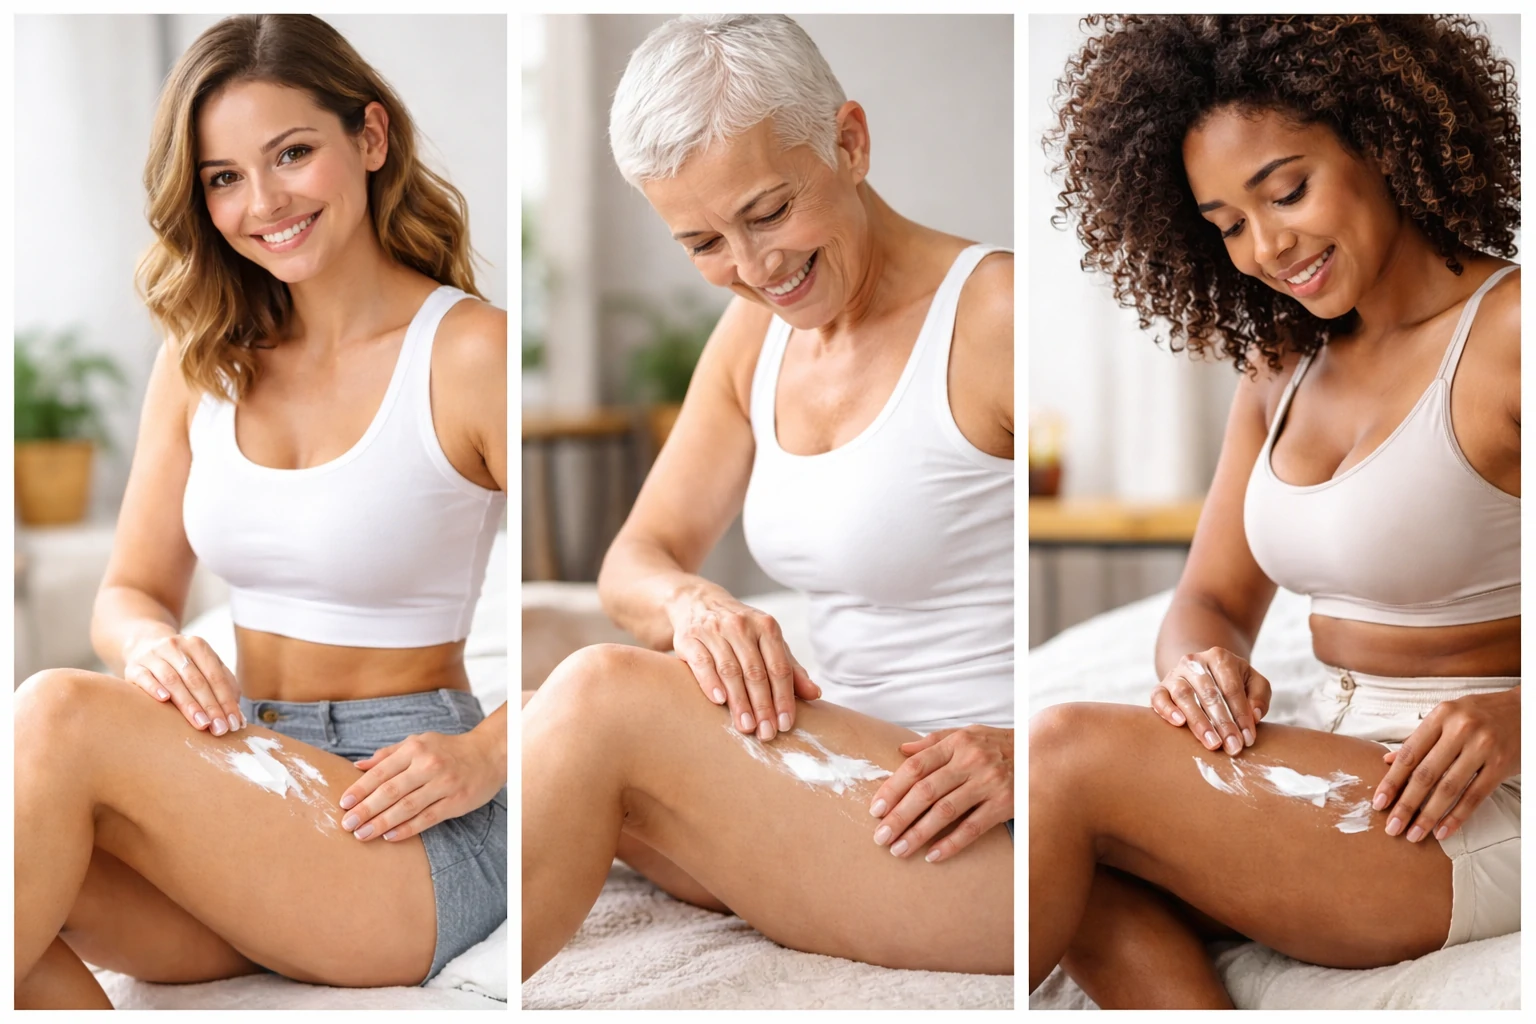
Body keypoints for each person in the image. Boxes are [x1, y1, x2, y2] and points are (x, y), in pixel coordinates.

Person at [14, 15, 508, 1008]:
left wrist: (492, 751)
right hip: (242, 778)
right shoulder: (202, 359)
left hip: (399, 816)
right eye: (224, 176)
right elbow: (131, 590)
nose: (263, 201)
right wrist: (151, 644)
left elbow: (584, 633)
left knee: (56, 709)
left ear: (368, 140)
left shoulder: (467, 354)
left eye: (292, 153)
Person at [1032, 14, 1519, 1008]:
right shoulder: (1280, 370)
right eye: (1227, 225)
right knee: (1077, 859)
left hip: (1475, 795)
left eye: (1286, 191)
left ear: (1384, 137)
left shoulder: (1514, 334)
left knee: (1060, 757)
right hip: (1329, 759)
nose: (1266, 246)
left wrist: (1518, 719)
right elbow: (1208, 598)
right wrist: (1197, 668)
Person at [522, 15, 1014, 982]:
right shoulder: (756, 338)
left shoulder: (994, 315)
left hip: (962, 811)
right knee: (545, 719)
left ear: (850, 142)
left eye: (769, 212)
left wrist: (1032, 762)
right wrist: (693, 603)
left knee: (596, 696)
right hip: (822, 773)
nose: (753, 271)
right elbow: (636, 559)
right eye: (703, 241)